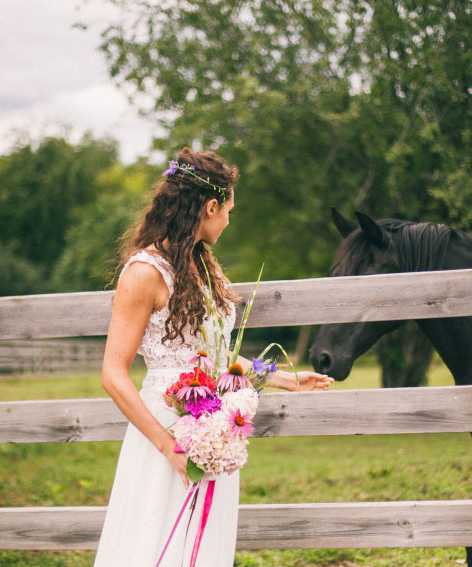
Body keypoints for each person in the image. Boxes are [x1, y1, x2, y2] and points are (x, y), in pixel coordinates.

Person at [94, 147, 333, 566]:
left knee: (203, 542)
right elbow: (114, 374)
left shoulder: (201, 265)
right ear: (210, 206)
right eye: (228, 210)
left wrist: (281, 377)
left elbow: (216, 359)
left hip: (212, 428)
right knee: (153, 535)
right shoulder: (145, 272)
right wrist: (167, 445)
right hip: (165, 425)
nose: (228, 220)